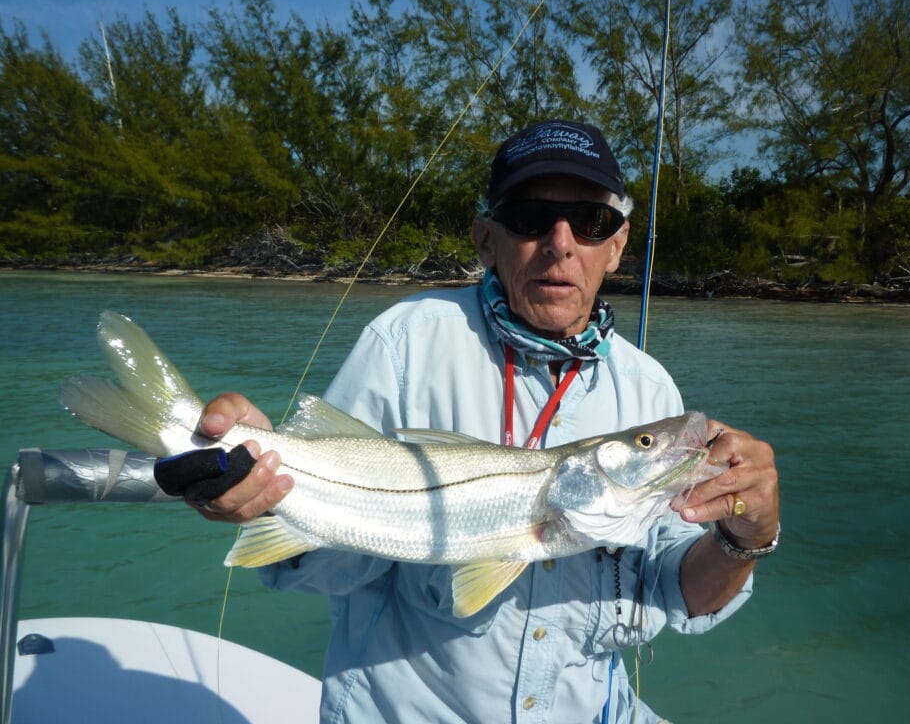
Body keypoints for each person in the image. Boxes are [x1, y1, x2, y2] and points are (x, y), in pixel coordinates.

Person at [185, 120, 780, 723]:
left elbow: (677, 589)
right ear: (485, 238)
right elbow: (324, 572)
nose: (560, 243)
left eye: (589, 221)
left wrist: (746, 537)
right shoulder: (405, 343)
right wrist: (267, 491)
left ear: (618, 245)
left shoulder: (649, 387)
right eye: (529, 217)